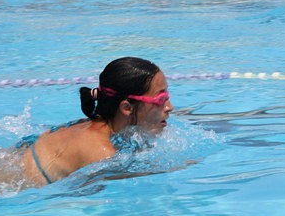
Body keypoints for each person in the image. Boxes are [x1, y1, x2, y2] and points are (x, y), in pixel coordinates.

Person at [19, 56, 174, 186]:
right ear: (126, 108)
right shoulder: (102, 154)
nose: (169, 107)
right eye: (161, 99)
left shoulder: (90, 124)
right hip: (18, 188)